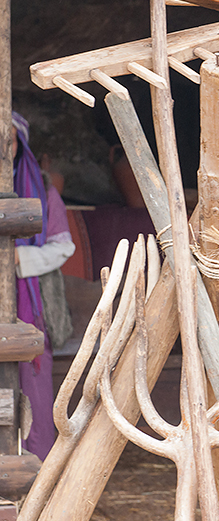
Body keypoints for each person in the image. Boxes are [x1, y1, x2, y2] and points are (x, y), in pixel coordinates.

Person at [12, 112, 75, 460]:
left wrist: (21, 261)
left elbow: (63, 244)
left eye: (7, 141)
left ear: (20, 144)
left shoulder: (44, 188)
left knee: (34, 388)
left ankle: (37, 474)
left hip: (31, 308)